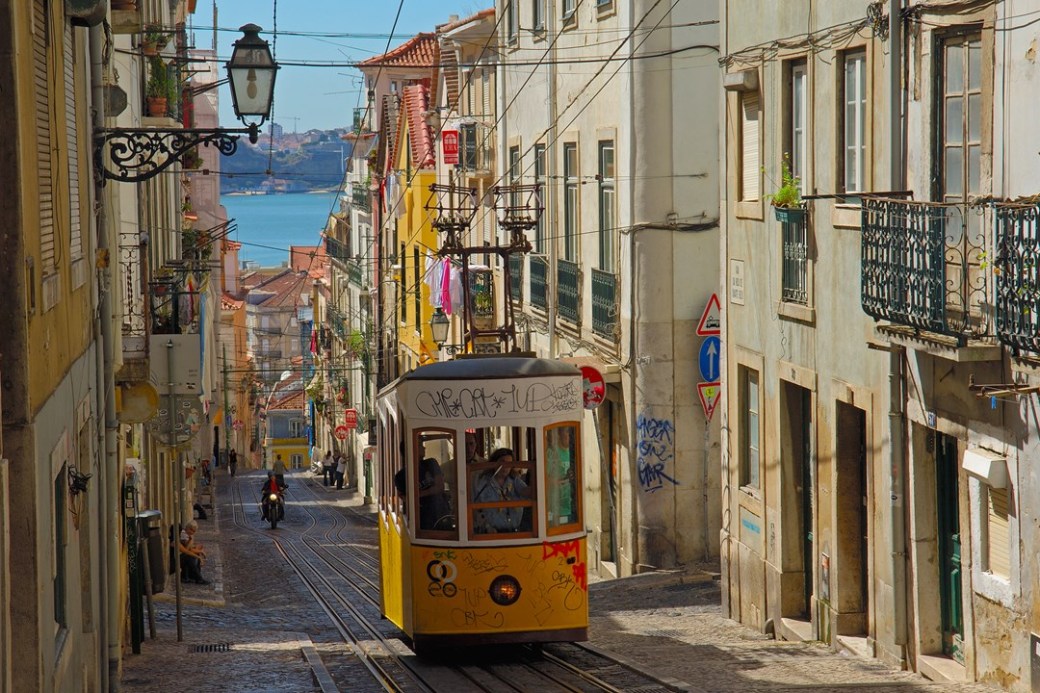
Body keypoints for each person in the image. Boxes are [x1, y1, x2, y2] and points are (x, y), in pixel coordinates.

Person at [472, 448, 530, 533]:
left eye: (509, 463)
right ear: (495, 463)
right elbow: (475, 508)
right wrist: (487, 526)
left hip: (514, 533)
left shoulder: (515, 481)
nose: (505, 467)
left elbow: (526, 492)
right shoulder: (483, 483)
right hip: (491, 534)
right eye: (502, 462)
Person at [547, 426, 576, 525]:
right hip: (556, 507)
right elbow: (543, 479)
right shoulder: (551, 453)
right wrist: (561, 480)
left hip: (572, 506)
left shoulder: (575, 452)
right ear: (559, 435)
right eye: (567, 432)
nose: (570, 436)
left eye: (571, 433)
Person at [417, 457, 452, 530]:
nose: (424, 447)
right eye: (420, 446)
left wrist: (418, 494)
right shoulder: (450, 466)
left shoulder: (431, 463)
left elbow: (439, 487)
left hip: (442, 513)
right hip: (424, 519)